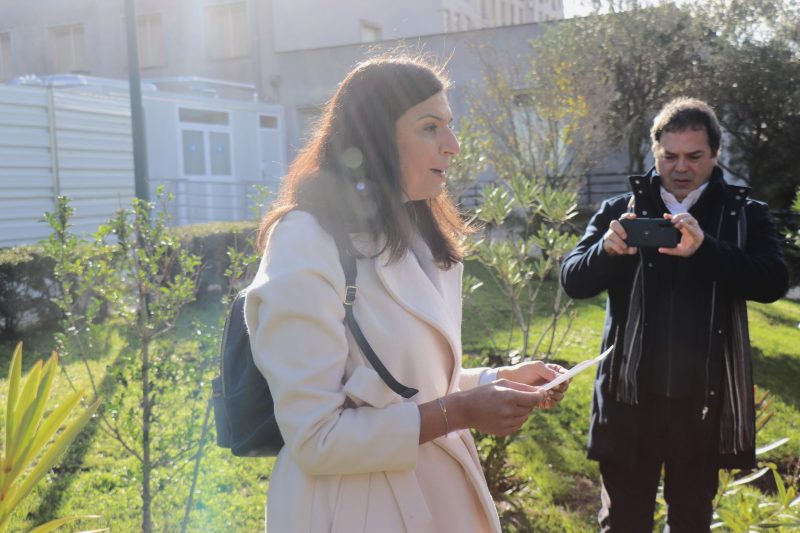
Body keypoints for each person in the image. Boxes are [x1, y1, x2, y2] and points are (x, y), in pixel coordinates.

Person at [244, 54, 570, 533]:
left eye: (449, 126)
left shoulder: (413, 233)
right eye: (430, 127)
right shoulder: (305, 240)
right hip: (350, 510)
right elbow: (315, 436)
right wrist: (461, 412)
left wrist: (498, 380)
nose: (453, 146)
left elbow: (406, 384)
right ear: (374, 136)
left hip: (436, 500)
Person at [561, 97, 788, 532]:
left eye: (694, 156)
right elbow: (573, 280)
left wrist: (707, 249)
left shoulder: (743, 215)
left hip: (702, 406)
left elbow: (772, 282)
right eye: (670, 156)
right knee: (623, 523)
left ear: (715, 154)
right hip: (628, 403)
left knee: (690, 522)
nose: (681, 167)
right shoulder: (619, 211)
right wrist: (606, 252)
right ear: (655, 152)